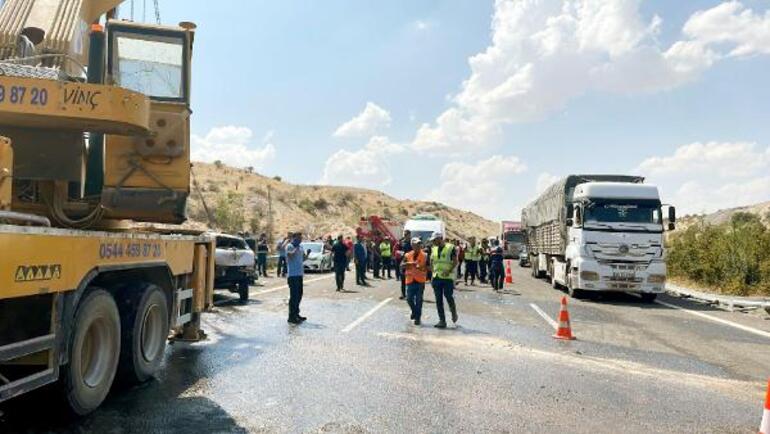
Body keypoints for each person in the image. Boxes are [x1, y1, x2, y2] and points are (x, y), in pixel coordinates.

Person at [430, 232, 458, 328]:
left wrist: (449, 271)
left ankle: (453, 311)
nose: (433, 242)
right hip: (436, 278)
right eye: (433, 240)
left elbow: (455, 261)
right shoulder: (433, 249)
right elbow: (432, 262)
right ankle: (442, 321)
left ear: (440, 238)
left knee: (448, 296)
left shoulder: (450, 248)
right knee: (438, 300)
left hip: (447, 278)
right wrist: (432, 275)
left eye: (434, 240)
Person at [284, 232, 308, 324]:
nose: (300, 239)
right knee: (293, 296)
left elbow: (303, 259)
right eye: (298, 238)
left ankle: (296, 314)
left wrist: (307, 254)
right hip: (292, 275)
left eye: (300, 238)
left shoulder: (301, 247)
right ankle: (291, 316)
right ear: (294, 238)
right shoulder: (289, 246)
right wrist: (295, 248)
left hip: (299, 274)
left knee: (299, 295)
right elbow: (290, 256)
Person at [403, 237, 427, 325]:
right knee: (409, 299)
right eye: (416, 244)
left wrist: (421, 268)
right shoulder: (407, 255)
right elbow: (402, 265)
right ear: (412, 245)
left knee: (419, 300)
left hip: (420, 281)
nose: (418, 246)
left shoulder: (425, 255)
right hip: (410, 280)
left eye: (419, 244)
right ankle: (414, 311)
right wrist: (409, 264)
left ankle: (418, 318)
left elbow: (429, 267)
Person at [398, 230, 413, 300]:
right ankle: (403, 294)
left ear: (409, 235)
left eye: (406, 234)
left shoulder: (412, 243)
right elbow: (398, 250)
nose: (405, 235)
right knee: (403, 279)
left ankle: (411, 294)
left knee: (411, 279)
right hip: (403, 262)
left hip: (410, 263)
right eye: (404, 234)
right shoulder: (402, 243)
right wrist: (400, 254)